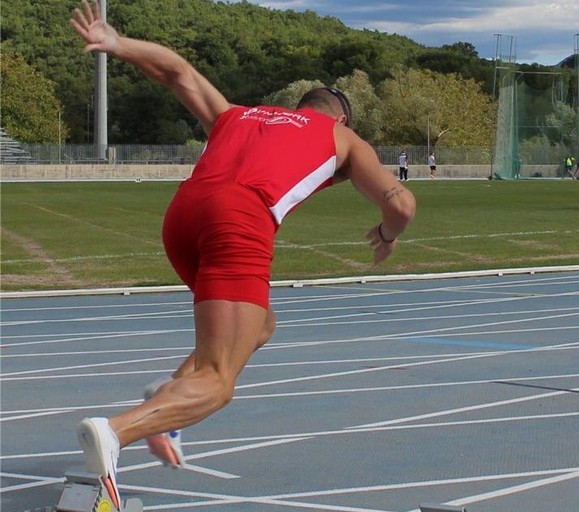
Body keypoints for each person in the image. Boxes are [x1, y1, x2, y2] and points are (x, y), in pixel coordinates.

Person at [68, 1, 416, 507]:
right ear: (341, 116)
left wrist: (118, 44)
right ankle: (115, 432)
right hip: (238, 222)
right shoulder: (342, 136)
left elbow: (177, 72)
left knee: (262, 324)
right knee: (219, 382)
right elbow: (401, 202)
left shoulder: (238, 114)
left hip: (184, 216)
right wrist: (387, 233)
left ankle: (168, 394)